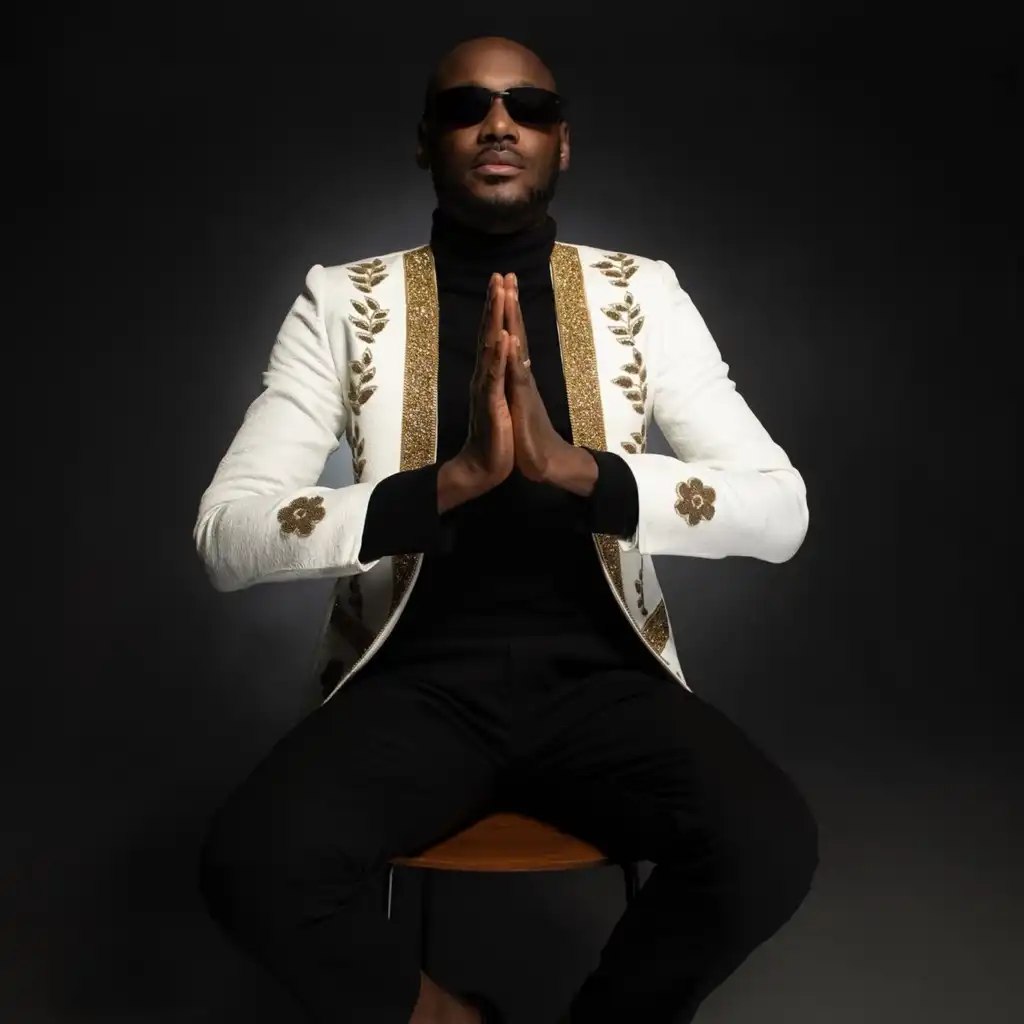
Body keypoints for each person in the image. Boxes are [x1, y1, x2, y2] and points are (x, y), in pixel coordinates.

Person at [194, 34, 818, 1024]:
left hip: (604, 685)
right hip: (415, 688)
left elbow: (779, 511)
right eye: (467, 107)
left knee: (768, 845)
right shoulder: (343, 301)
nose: (498, 124)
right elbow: (227, 535)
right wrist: (447, 485)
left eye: (528, 107)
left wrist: (581, 471)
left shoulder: (639, 293)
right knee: (249, 865)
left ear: (561, 141)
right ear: (424, 141)